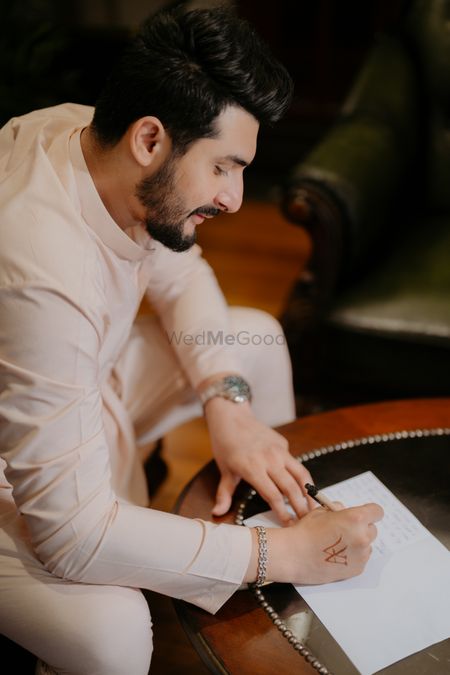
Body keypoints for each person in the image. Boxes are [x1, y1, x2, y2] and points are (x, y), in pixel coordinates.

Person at [0, 5, 383, 674]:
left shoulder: (93, 137)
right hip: (17, 474)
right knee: (114, 632)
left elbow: (184, 275)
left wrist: (226, 403)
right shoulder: (39, 267)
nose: (236, 198)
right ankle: (286, 548)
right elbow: (70, 533)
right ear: (151, 140)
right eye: (224, 168)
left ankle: (282, 534)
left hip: (85, 387)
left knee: (254, 343)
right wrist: (278, 558)